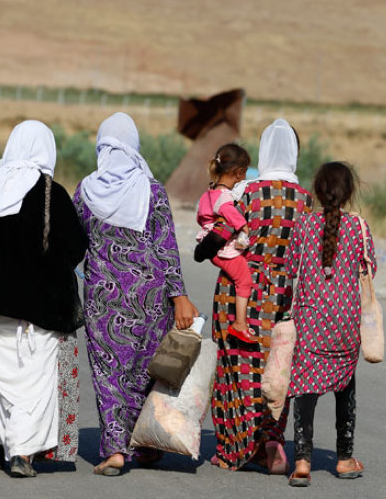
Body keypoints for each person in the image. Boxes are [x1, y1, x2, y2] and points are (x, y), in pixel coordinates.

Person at [0, 120, 88, 478]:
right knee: (33, 383)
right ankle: (22, 452)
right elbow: (75, 246)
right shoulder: (51, 194)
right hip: (40, 310)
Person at [73, 112, 198, 476]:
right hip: (150, 297)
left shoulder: (86, 190)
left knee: (109, 373)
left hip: (103, 298)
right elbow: (167, 246)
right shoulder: (151, 189)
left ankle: (116, 449)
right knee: (145, 370)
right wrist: (179, 296)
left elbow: (75, 244)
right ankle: (144, 442)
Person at [210, 118, 313, 474]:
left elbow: (222, 233)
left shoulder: (248, 192)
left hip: (238, 288)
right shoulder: (305, 200)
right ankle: (270, 438)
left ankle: (232, 450)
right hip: (282, 293)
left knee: (235, 365)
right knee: (275, 366)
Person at [285, 161, 376, 487]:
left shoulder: (303, 225)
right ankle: (343, 458)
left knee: (304, 390)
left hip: (310, 323)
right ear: (349, 192)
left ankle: (303, 462)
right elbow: (370, 271)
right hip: (345, 324)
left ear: (318, 191)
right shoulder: (359, 227)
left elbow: (290, 268)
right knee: (344, 387)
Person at [195, 143, 256, 344]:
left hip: (210, 245)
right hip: (222, 249)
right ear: (238, 173)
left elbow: (200, 216)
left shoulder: (209, 192)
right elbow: (230, 213)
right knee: (244, 280)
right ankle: (240, 323)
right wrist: (243, 227)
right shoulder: (225, 197)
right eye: (245, 172)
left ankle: (238, 321)